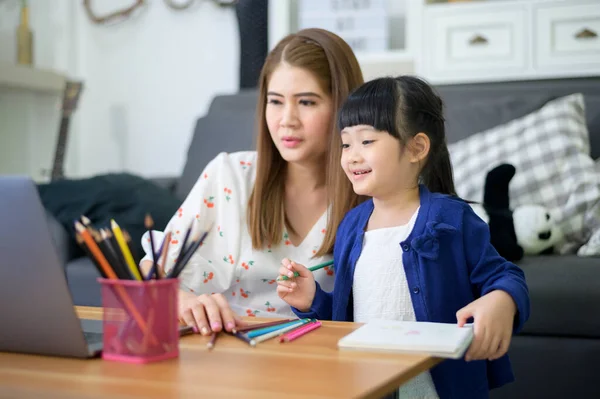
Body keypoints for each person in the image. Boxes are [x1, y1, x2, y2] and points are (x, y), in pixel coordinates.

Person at [276, 76, 530, 399]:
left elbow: (507, 276)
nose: (352, 156)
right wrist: (312, 299)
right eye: (346, 143)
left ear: (416, 148)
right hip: (365, 383)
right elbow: (347, 318)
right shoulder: (351, 226)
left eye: (366, 142)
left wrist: (501, 300)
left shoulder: (450, 219)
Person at [139, 28, 365, 336]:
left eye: (307, 102)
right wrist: (179, 299)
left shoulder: (369, 187)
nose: (287, 119)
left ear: (343, 107)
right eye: (275, 101)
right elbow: (155, 266)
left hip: (325, 358)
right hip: (231, 355)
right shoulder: (230, 174)